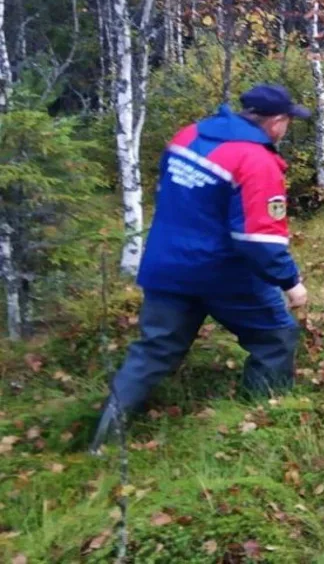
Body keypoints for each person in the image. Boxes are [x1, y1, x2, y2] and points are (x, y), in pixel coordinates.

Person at [90, 85, 311, 453]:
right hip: (223, 273)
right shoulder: (256, 160)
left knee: (153, 351)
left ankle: (102, 439)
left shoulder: (188, 135)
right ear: (276, 122)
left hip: (166, 265)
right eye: (287, 122)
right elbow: (260, 240)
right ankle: (263, 425)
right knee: (274, 339)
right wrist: (291, 283)